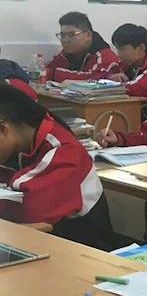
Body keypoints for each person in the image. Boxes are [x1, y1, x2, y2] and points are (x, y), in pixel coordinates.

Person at [0, 84, 116, 249]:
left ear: (3, 128)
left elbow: (27, 209)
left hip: (82, 252)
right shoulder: (17, 147)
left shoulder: (64, 152)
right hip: (42, 245)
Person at [45, 11, 119, 83]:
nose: (66, 40)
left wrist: (53, 74)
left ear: (88, 35)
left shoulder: (105, 55)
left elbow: (93, 78)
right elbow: (47, 70)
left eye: (71, 35)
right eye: (62, 35)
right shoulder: (68, 52)